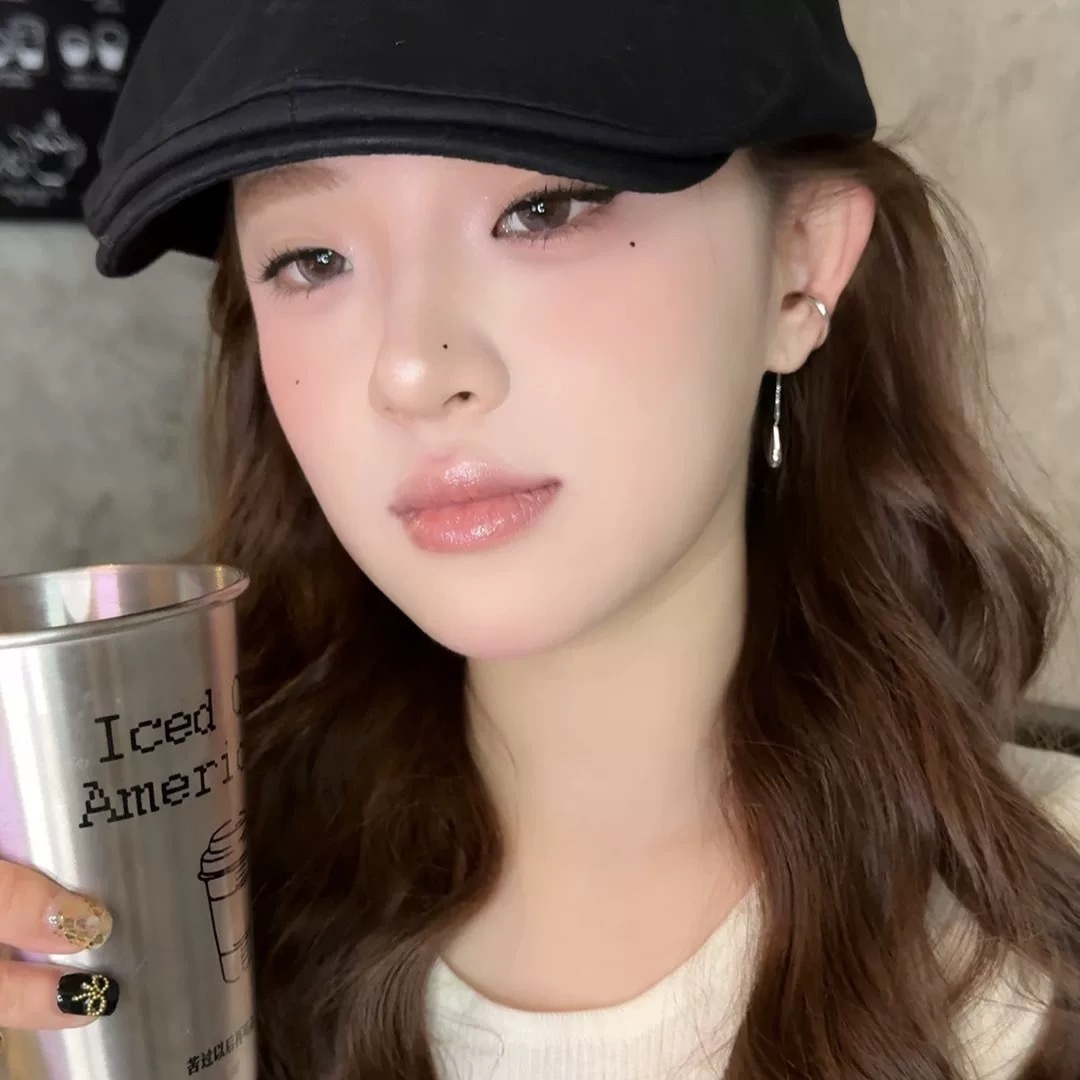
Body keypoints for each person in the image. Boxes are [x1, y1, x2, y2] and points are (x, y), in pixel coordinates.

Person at [2, 0, 1080, 1076]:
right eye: (314, 259)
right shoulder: (169, 898)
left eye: (542, 208)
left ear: (800, 264)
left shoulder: (1045, 922)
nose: (413, 370)